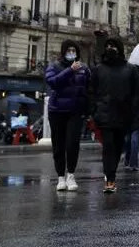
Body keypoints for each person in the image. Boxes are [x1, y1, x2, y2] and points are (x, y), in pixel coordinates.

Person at [89, 38, 139, 193]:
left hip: (123, 114)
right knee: (108, 146)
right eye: (107, 46)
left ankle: (111, 174)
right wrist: (94, 110)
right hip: (104, 115)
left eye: (113, 46)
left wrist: (133, 111)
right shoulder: (98, 69)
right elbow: (91, 91)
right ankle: (110, 178)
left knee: (118, 147)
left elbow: (136, 93)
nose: (110, 48)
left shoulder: (130, 69)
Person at [45, 40, 90, 191]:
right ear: (63, 51)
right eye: (69, 50)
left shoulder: (84, 68)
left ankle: (71, 175)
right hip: (56, 110)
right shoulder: (54, 66)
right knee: (58, 145)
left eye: (74, 50)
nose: (71, 52)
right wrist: (70, 70)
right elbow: (52, 82)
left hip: (75, 111)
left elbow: (89, 88)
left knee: (72, 144)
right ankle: (60, 177)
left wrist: (87, 109)